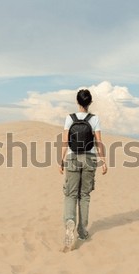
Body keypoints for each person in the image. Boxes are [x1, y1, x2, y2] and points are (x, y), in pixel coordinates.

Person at [59, 89, 107, 252]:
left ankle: (70, 221)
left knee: (70, 194)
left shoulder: (69, 119)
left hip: (73, 157)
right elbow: (99, 142)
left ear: (77, 102)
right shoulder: (94, 119)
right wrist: (104, 161)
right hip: (89, 159)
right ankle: (82, 231)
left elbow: (65, 141)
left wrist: (61, 160)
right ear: (90, 103)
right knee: (84, 195)